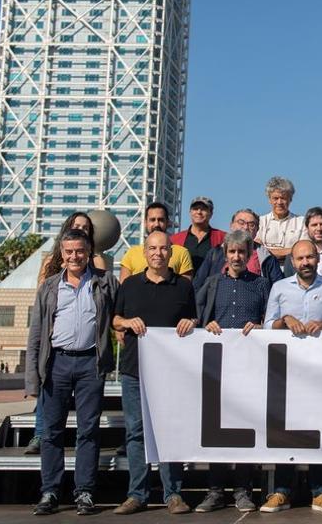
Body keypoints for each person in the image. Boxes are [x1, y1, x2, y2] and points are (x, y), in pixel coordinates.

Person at [25, 228, 117, 516]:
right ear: (61, 254)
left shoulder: (105, 283)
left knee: (88, 431)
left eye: (79, 250)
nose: (74, 256)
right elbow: (36, 334)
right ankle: (50, 491)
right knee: (52, 431)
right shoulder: (50, 287)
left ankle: (85, 492)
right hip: (57, 364)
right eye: (69, 252)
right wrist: (32, 378)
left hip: (91, 362)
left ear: (88, 252)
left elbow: (119, 315)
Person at [112, 230, 198, 515]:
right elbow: (115, 319)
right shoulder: (130, 285)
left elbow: (194, 318)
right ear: (144, 252)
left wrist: (191, 322)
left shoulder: (184, 287)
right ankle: (137, 494)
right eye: (152, 248)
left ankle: (173, 494)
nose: (158, 253)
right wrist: (126, 322)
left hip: (171, 374)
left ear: (171, 254)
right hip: (134, 370)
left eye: (163, 249)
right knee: (136, 433)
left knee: (169, 432)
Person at [260, 240, 322, 514]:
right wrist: (284, 320)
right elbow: (266, 325)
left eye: (310, 257)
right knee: (287, 430)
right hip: (287, 370)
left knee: (319, 429)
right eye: (300, 258)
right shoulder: (279, 288)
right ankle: (282, 491)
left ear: (317, 258)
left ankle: (320, 492)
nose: (305, 262)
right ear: (292, 262)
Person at [194, 230, 271, 513]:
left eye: (242, 252)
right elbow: (196, 317)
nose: (237, 257)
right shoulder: (213, 284)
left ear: (251, 254)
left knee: (246, 430)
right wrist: (206, 325)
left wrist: (262, 327)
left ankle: (243, 490)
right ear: (225, 254)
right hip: (219, 367)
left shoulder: (262, 285)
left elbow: (270, 320)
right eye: (232, 252)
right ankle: (214, 490)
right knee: (218, 431)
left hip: (251, 367)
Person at [27, 210, 107, 456]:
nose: (81, 229)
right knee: (48, 400)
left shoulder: (97, 261)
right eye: (77, 225)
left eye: (85, 227)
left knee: (87, 426)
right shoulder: (52, 261)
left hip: (87, 354)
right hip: (55, 333)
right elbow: (42, 289)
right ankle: (39, 433)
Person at [193, 209, 281, 288]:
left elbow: (278, 287)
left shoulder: (266, 257)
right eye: (241, 222)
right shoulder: (215, 253)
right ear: (231, 225)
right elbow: (198, 284)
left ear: (257, 229)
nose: (246, 227)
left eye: (251, 224)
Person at [119, 202, 194, 281]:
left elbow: (185, 288)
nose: (156, 224)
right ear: (145, 223)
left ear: (167, 222)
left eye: (161, 220)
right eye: (152, 220)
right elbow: (124, 288)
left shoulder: (182, 253)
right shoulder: (132, 253)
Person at [171, 196, 227, 277]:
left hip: (211, 287)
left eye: (203, 209)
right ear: (190, 212)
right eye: (195, 209)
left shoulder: (223, 237)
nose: (199, 212)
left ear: (211, 213)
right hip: (182, 287)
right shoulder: (175, 239)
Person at [257, 176, 306, 267]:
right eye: (275, 198)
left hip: (293, 270)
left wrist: (267, 251)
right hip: (266, 271)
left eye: (283, 198)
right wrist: (291, 250)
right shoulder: (260, 222)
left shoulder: (302, 222)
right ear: (269, 200)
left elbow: (303, 249)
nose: (279, 202)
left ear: (290, 199)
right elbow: (256, 249)